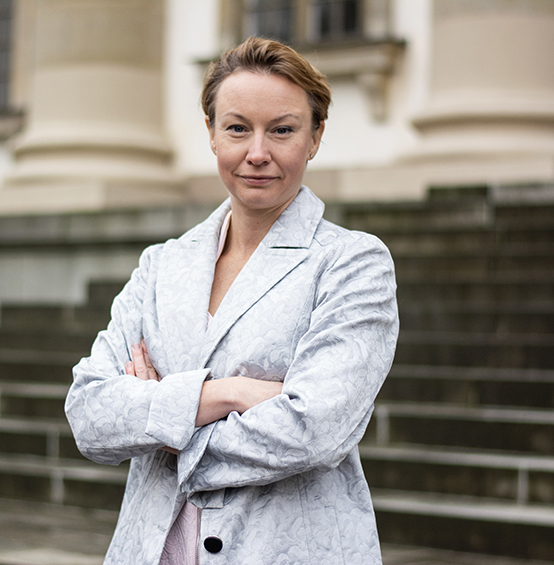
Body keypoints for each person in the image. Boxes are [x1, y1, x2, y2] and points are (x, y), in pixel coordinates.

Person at [65, 36, 399, 565]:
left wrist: (161, 419)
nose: (257, 153)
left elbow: (315, 429)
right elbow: (89, 414)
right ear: (211, 133)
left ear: (315, 137)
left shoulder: (352, 263)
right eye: (238, 128)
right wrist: (232, 393)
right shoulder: (162, 265)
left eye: (282, 130)